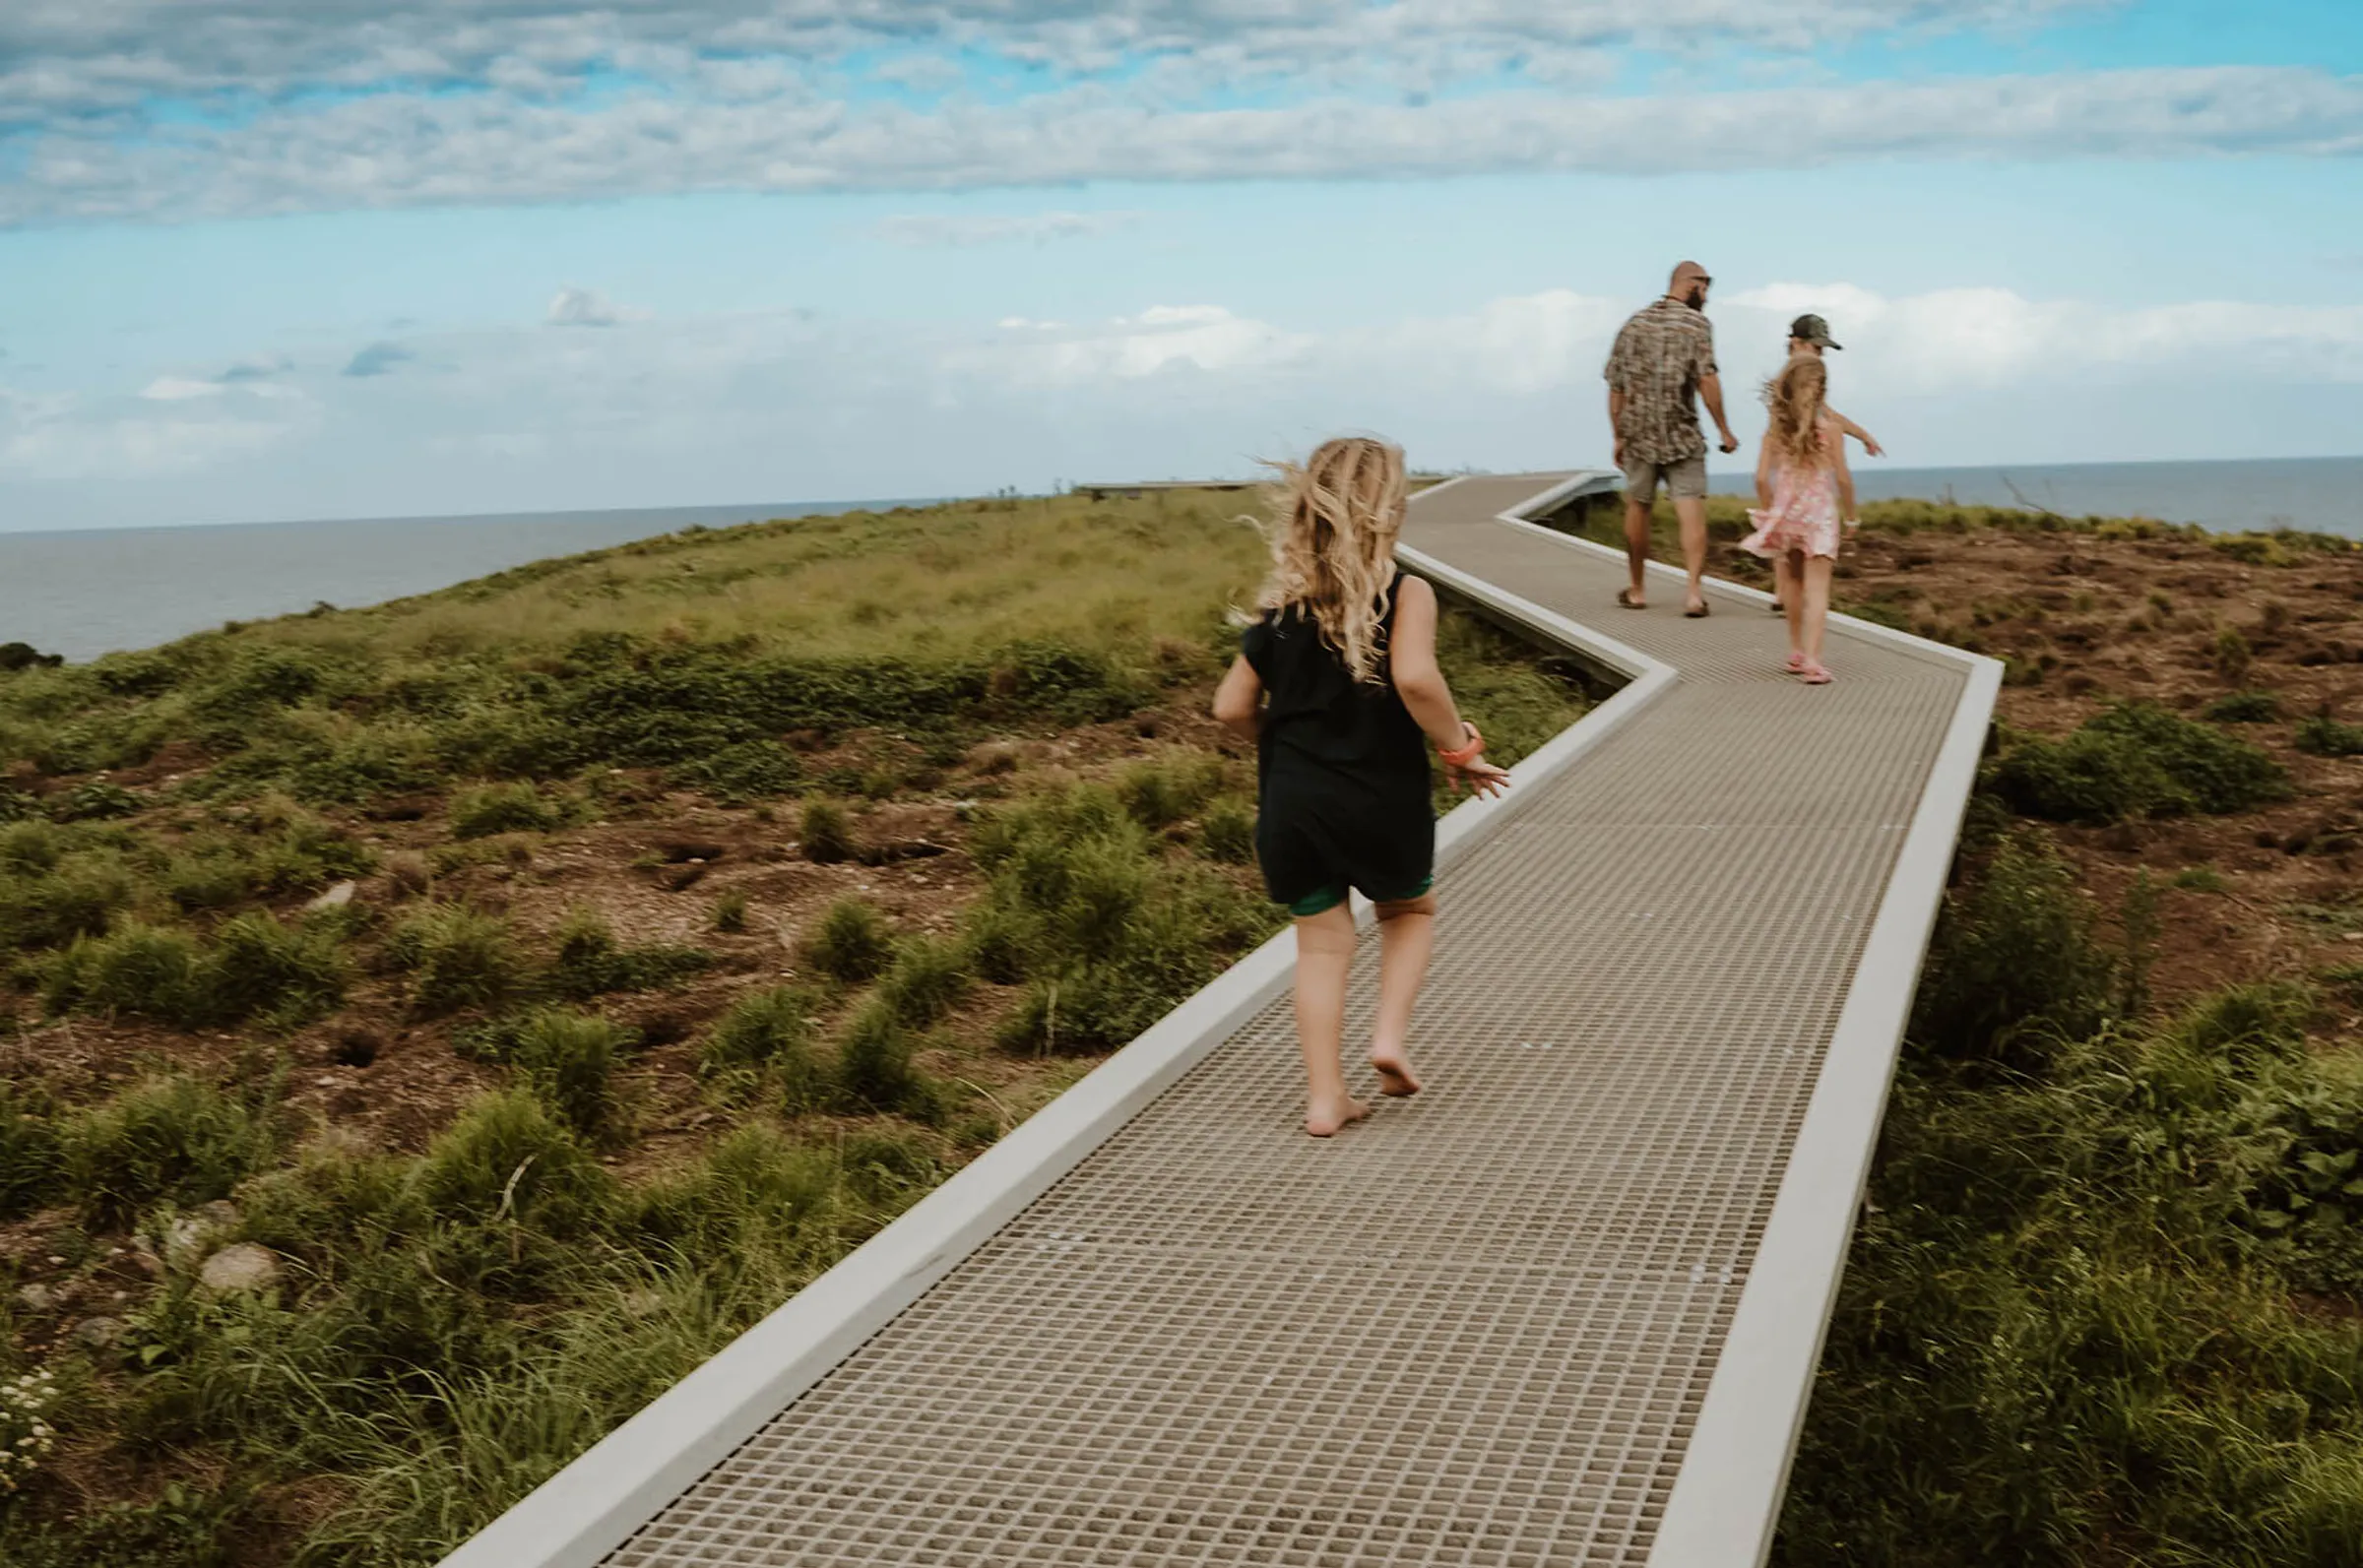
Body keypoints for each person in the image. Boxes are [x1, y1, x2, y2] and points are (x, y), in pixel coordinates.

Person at [1212, 437, 1511, 1137]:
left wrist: (1284, 744)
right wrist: (1459, 747)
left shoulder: (1277, 611)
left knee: (1319, 947)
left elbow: (1228, 709)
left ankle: (1325, 1099)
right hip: (1383, 799)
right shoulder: (1405, 591)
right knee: (1409, 911)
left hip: (1293, 806)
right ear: (1390, 511)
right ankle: (1389, 1040)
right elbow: (1414, 678)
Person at [1603, 261, 1740, 617]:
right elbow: (1706, 380)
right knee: (1690, 508)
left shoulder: (1633, 325)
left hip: (1638, 433)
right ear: (1689, 284)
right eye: (1704, 287)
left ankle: (1636, 589)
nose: (1706, 296)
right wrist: (1724, 428)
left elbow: (1616, 387)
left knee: (1639, 505)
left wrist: (1618, 435)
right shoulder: (1697, 325)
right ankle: (1694, 594)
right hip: (1682, 433)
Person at [1740, 356, 1855, 684]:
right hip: (1820, 519)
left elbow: (1761, 479)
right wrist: (1852, 516)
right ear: (1821, 390)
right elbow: (1843, 479)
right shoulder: (1830, 430)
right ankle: (1814, 662)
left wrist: (1770, 512)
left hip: (1788, 517)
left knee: (1792, 583)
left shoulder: (1774, 433)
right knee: (1818, 590)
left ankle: (1796, 652)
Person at [1767, 313, 1881, 616]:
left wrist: (1862, 435)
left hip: (1791, 466)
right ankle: (1783, 592)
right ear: (1796, 343)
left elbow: (1828, 414)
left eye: (1821, 350)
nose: (1820, 355)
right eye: (1816, 348)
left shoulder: (1804, 378)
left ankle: (1783, 592)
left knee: (1786, 524)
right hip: (1791, 465)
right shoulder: (1794, 380)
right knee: (1785, 525)